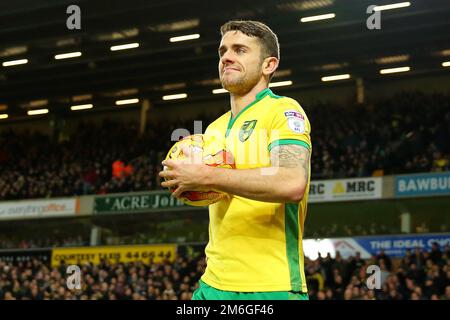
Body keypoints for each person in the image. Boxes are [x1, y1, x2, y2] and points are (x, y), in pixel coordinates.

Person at [160, 20, 312, 300]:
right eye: (223, 51)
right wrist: (187, 182)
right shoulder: (213, 130)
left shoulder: (284, 111)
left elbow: (292, 183)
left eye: (240, 50)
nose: (227, 57)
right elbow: (216, 194)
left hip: (270, 287)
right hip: (213, 284)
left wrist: (205, 176)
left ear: (269, 65)